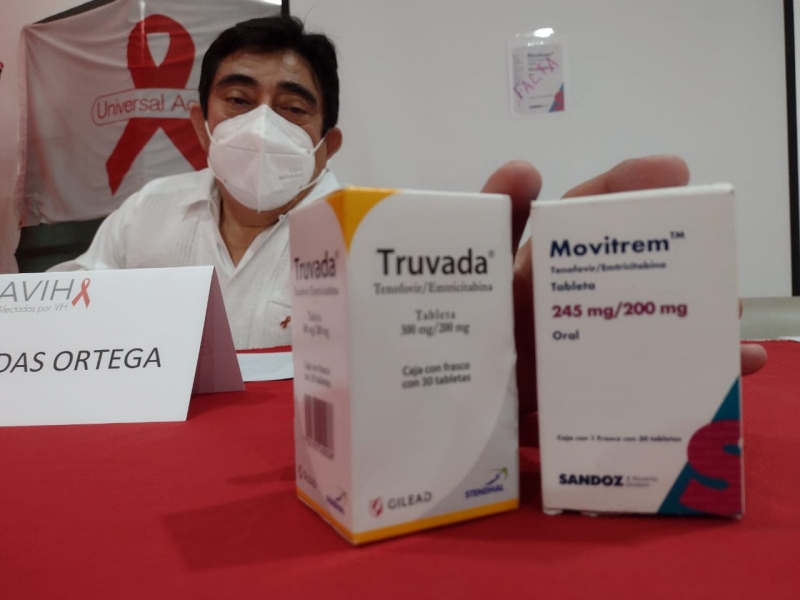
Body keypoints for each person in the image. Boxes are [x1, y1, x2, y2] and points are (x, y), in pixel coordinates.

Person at [50, 16, 343, 349]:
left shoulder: (358, 238)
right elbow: (65, 309)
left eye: (292, 108)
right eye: (238, 100)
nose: (262, 127)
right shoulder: (146, 212)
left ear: (328, 146)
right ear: (201, 128)